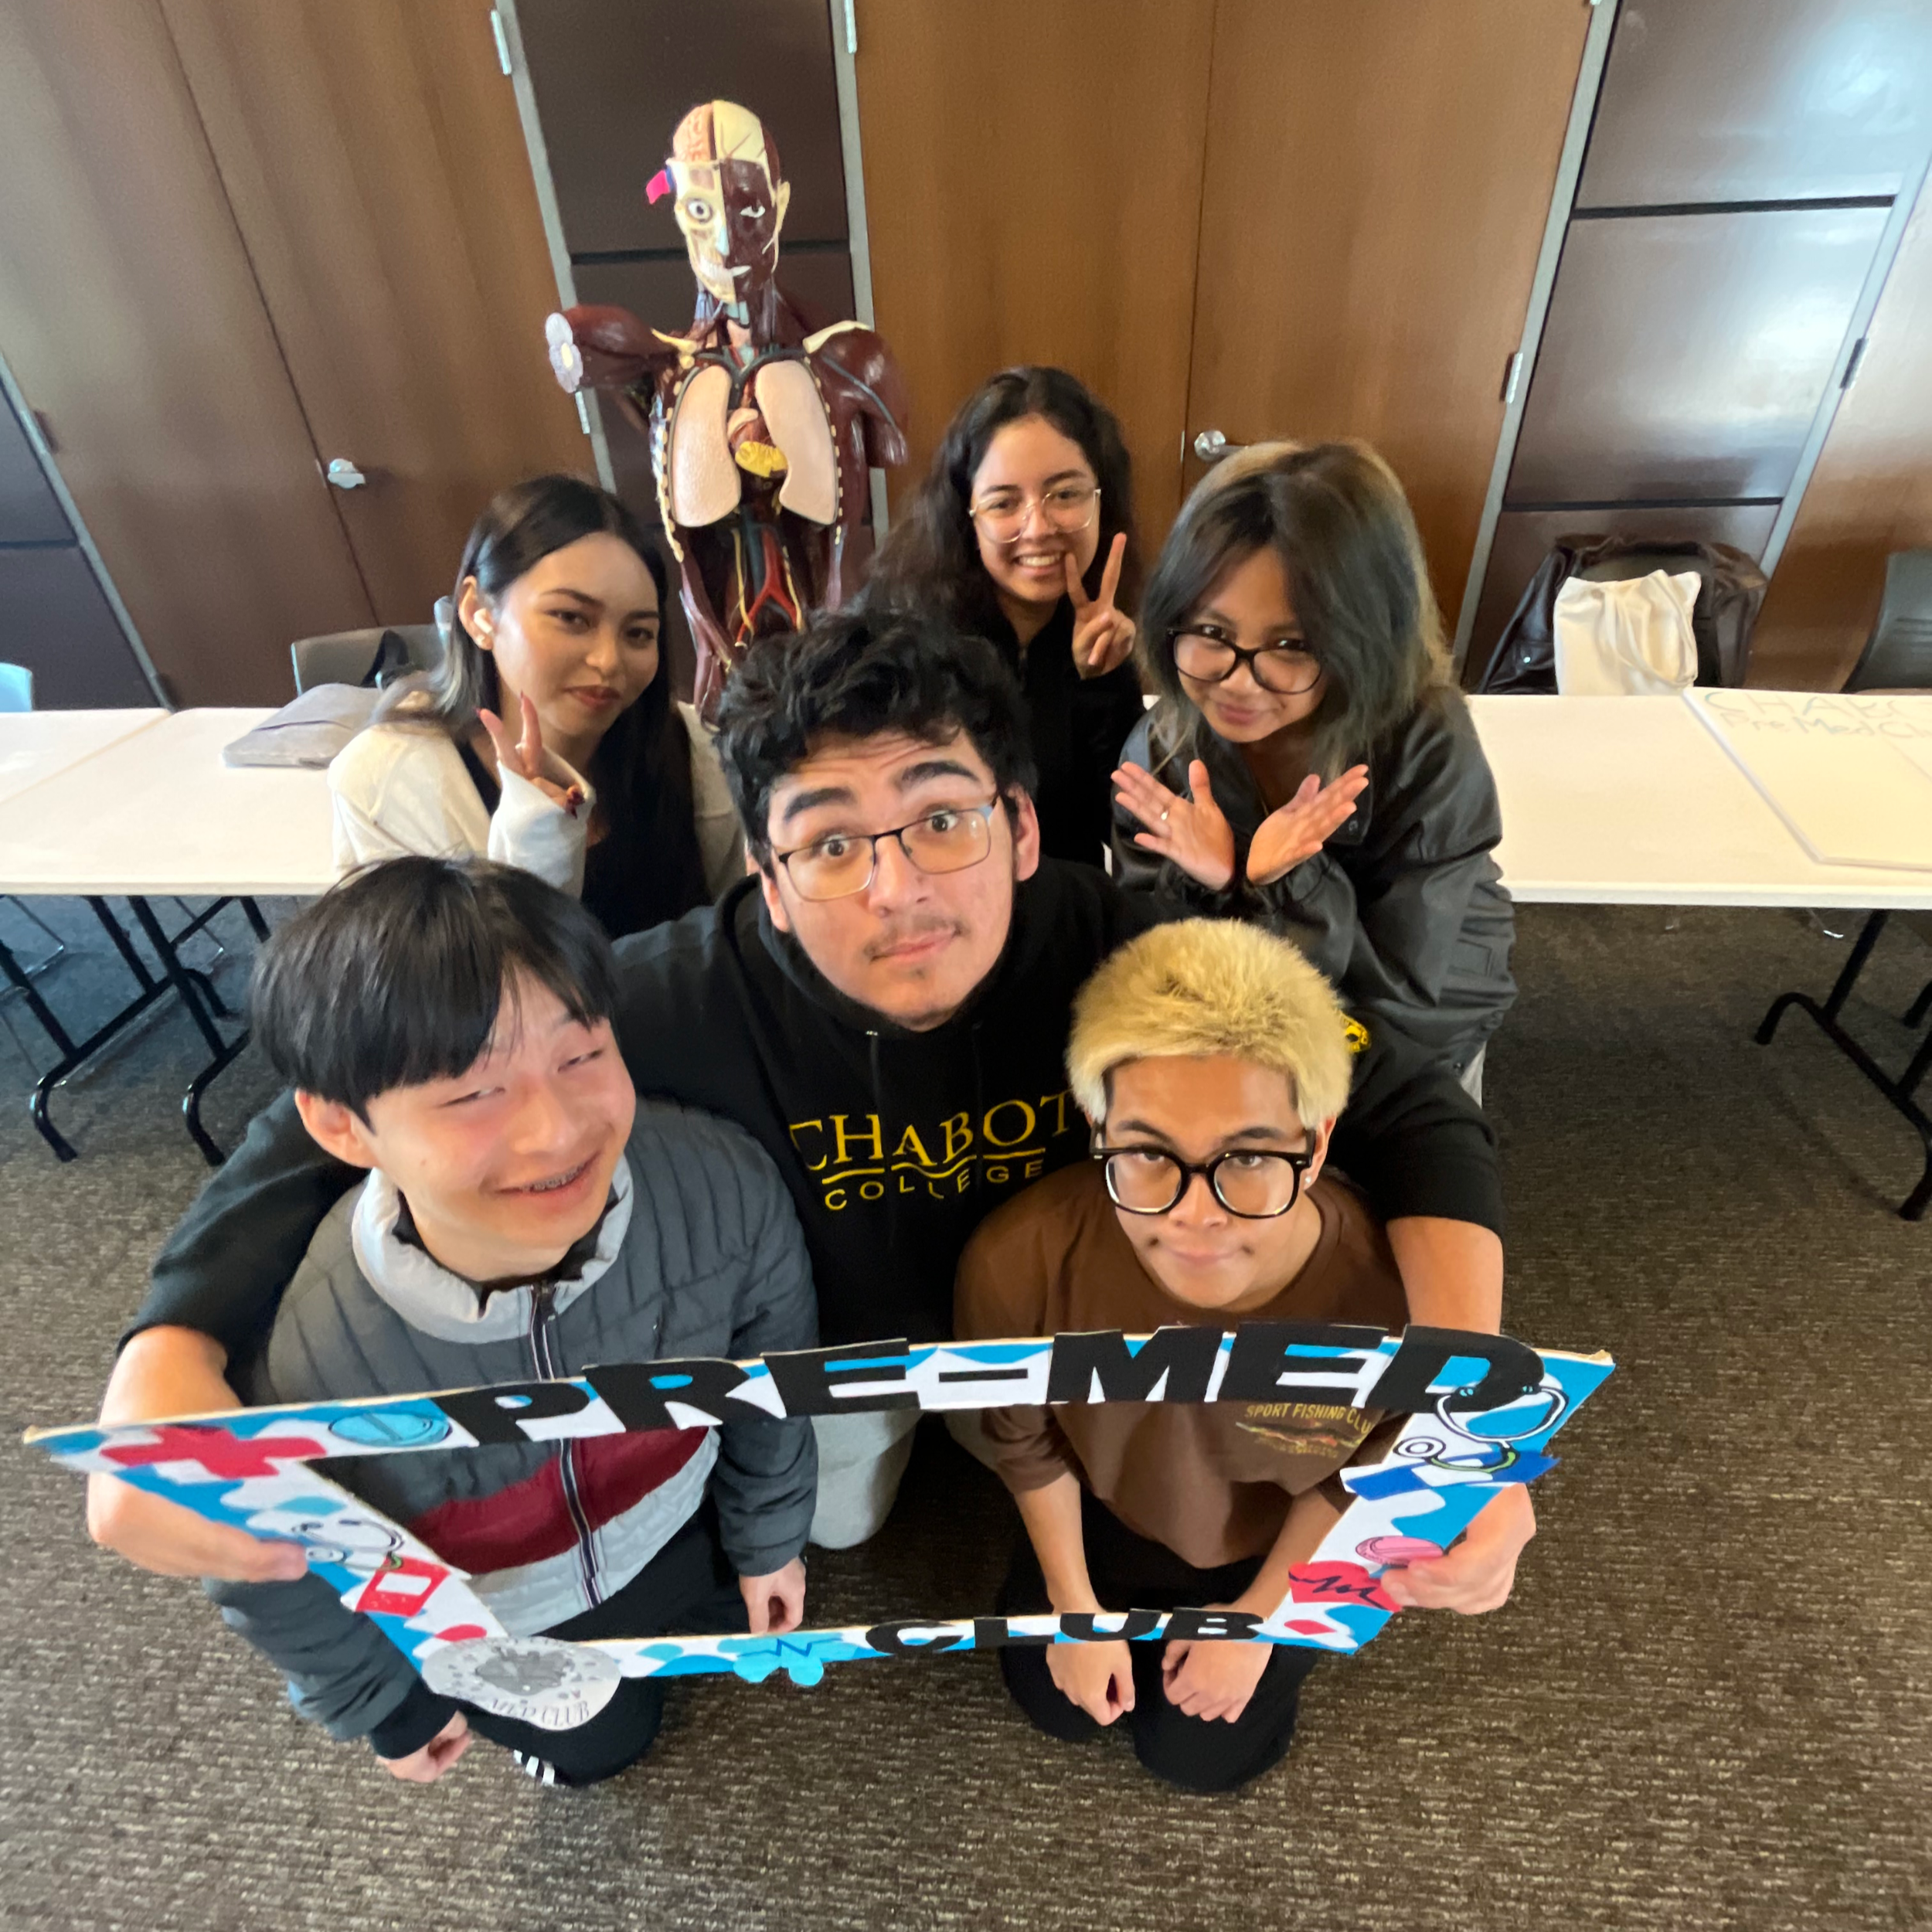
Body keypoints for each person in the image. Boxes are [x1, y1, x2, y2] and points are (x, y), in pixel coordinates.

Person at [89, 611, 1507, 1580]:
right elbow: (331, 1110)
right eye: (829, 846)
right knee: (839, 1532)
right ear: (763, 880)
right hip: (829, 1362)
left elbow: (1409, 1103)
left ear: (1019, 827)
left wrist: (1468, 1419)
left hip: (1088, 1325)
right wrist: (171, 1347)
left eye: (942, 818)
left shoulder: (1123, 943)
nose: (897, 890)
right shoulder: (666, 998)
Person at [197, 857, 815, 1788]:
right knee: (603, 1744)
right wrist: (388, 1706)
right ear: (341, 1126)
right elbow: (266, 1565)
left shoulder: (720, 1187)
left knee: (731, 1643)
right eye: (472, 1093)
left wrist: (770, 1537)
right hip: (501, 1610)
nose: (556, 1130)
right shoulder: (308, 1353)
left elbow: (775, 1373)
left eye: (580, 1056)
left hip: (681, 1530)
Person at [956, 917, 1533, 1793]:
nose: (1197, 1213)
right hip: (1111, 1516)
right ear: (1096, 1127)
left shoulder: (1390, 1294)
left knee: (1200, 1756)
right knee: (1054, 1703)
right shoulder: (1018, 1259)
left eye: (1250, 1156)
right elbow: (1023, 1439)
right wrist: (1074, 1605)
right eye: (1148, 1153)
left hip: (1279, 1537)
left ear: (1320, 1142)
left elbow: (1357, 1474)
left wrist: (1258, 1622)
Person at [1111, 441, 1515, 1090]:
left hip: (1417, 1010)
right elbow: (1150, 962)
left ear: (1364, 640)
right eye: (1212, 634)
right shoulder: (1162, 751)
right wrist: (1216, 884)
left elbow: (1399, 995)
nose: (1239, 683)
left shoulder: (1427, 745)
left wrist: (1290, 881)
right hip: (1250, 1008)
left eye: (1292, 645)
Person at [329, 474, 742, 932]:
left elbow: (742, 931)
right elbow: (442, 992)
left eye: (638, 633)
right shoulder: (389, 783)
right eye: (571, 618)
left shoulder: (690, 752)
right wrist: (538, 841)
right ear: (477, 613)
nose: (609, 661)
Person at [862, 366, 1145, 869]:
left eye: (1065, 494)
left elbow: (1119, 827)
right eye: (1003, 502)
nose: (1037, 528)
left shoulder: (1104, 632)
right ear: (965, 515)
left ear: (1103, 498)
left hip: (1065, 914)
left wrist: (1099, 683)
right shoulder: (902, 636)